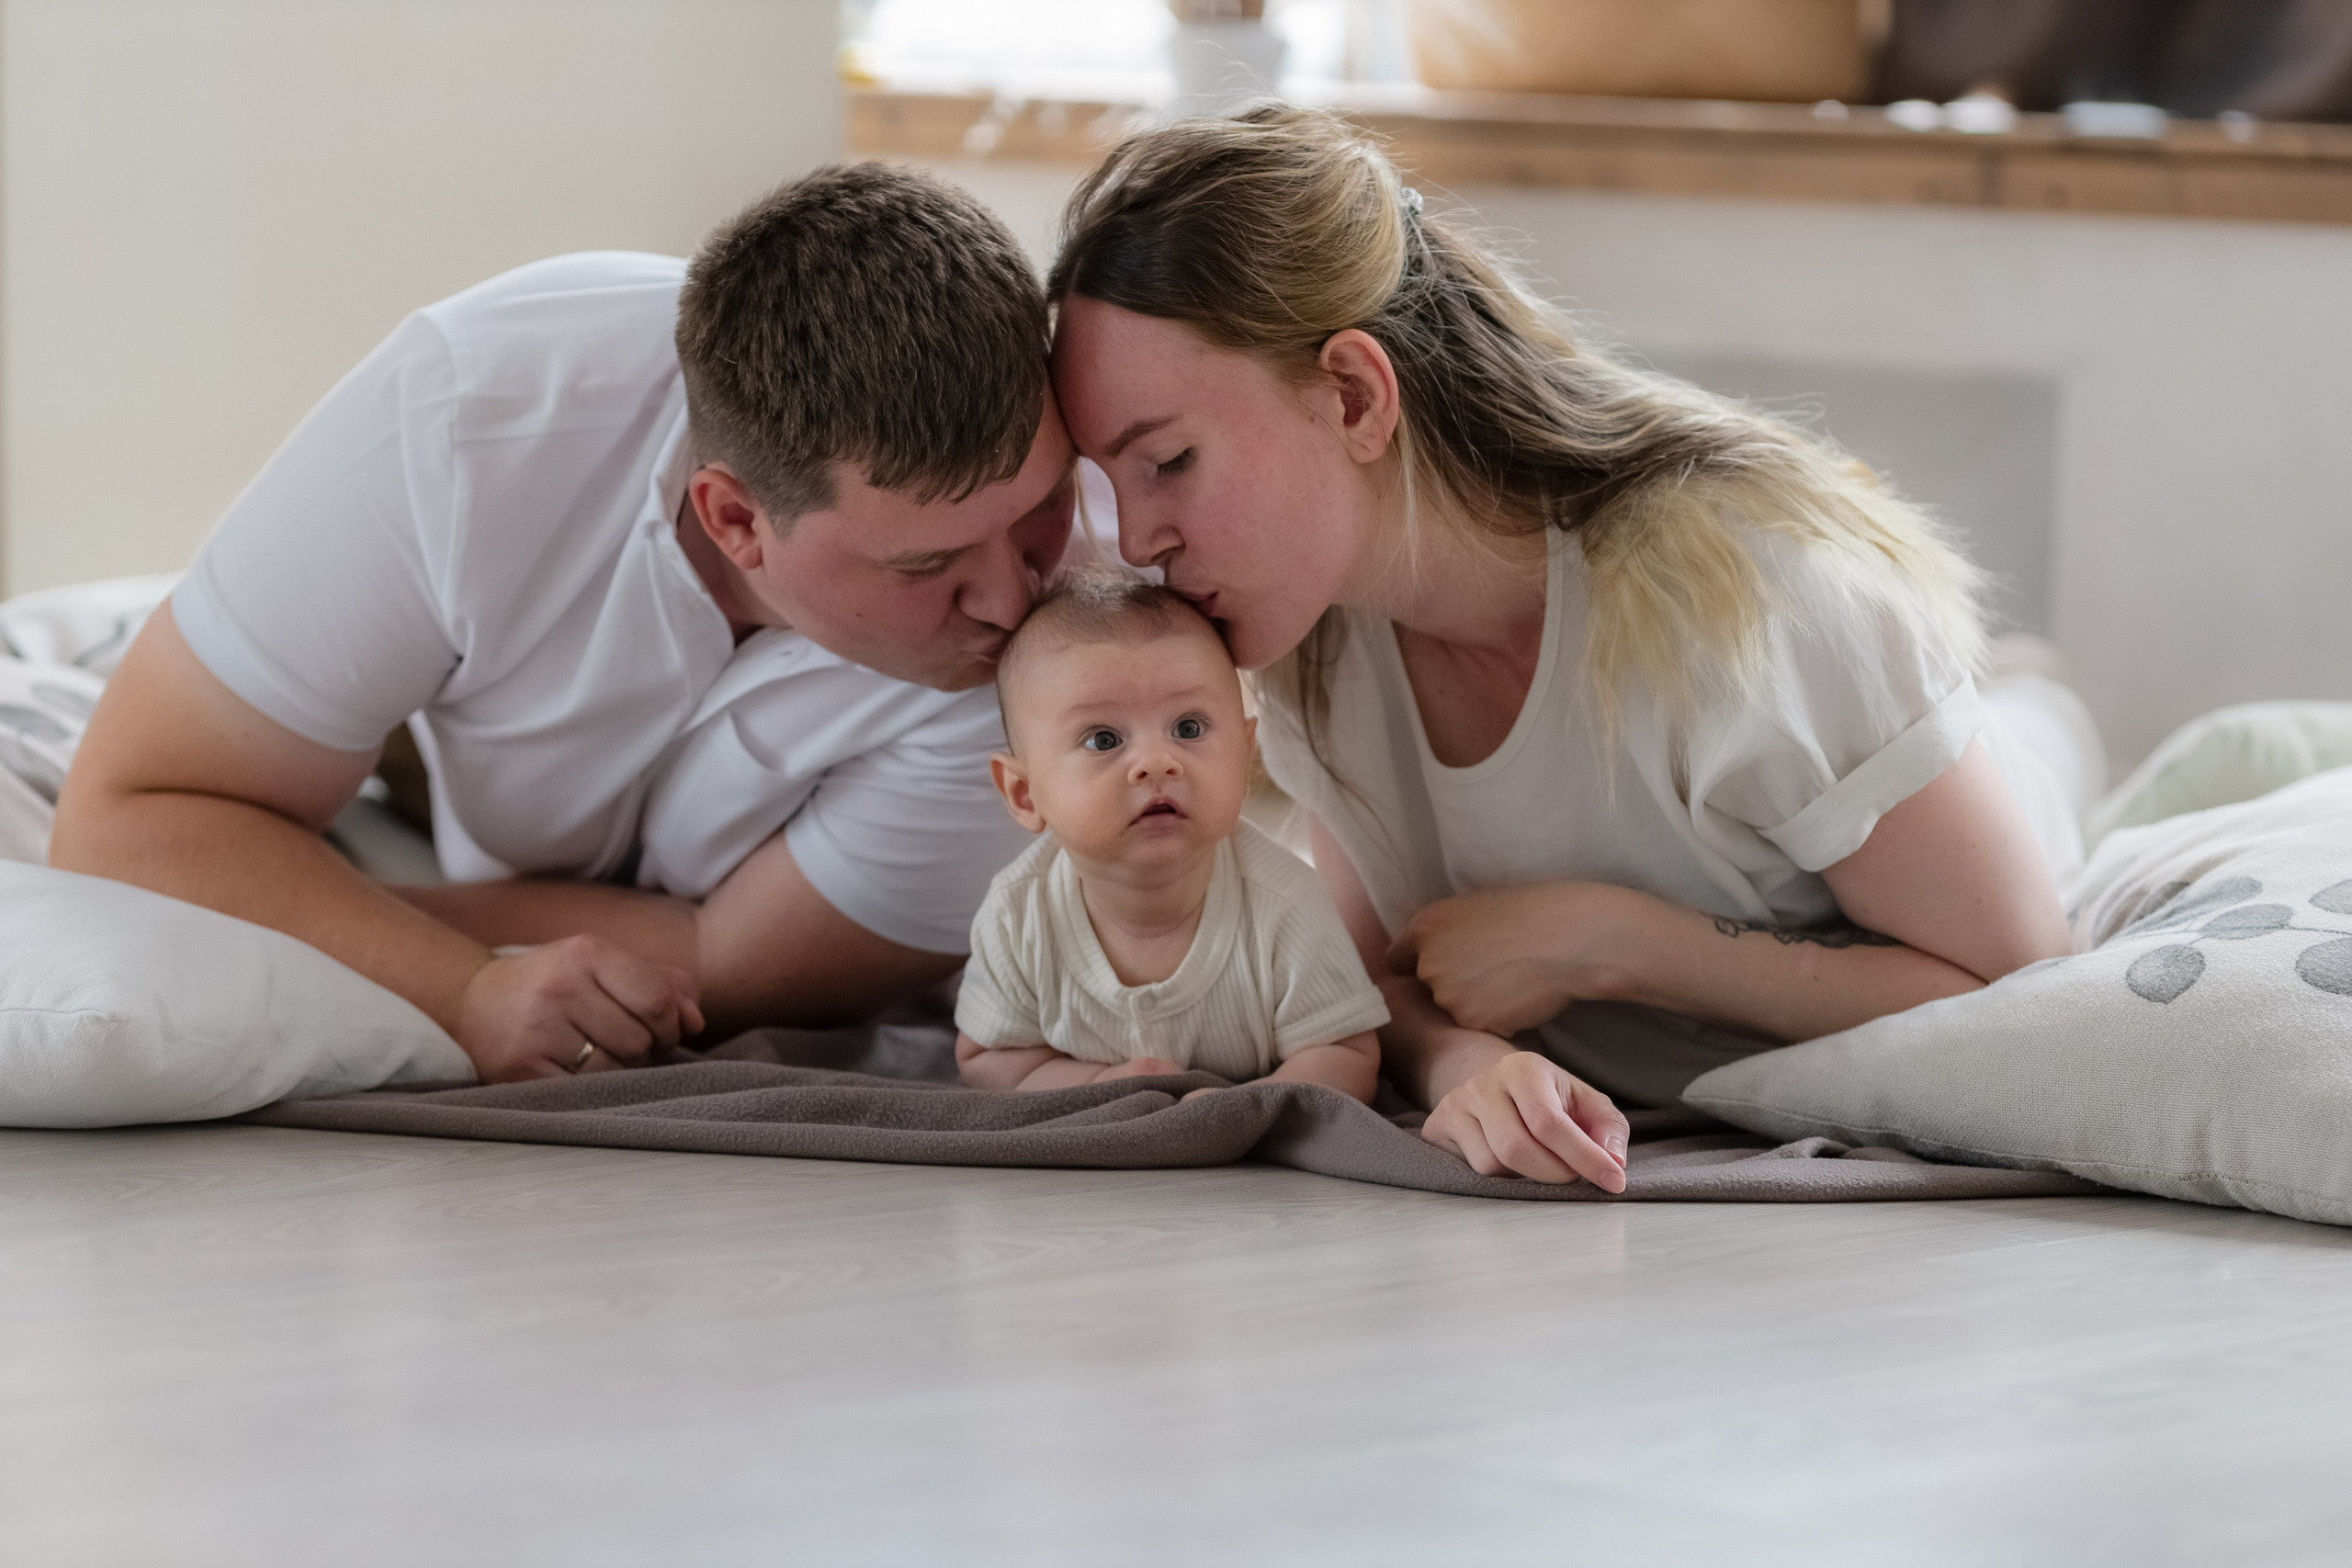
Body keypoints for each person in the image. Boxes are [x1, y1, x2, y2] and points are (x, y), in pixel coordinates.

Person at [1046, 107, 2085, 1187]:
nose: (1138, 542)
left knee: (2035, 731)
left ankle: (2034, 694)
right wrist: (1462, 1063)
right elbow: (1364, 982)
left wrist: (1617, 943)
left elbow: (2019, 979)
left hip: (1978, 792)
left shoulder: (1752, 598)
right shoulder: (1305, 636)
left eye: (1165, 461)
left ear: (1353, 396)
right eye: (1107, 487)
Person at [51, 163, 1071, 1084]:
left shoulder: (1067, 637)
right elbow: (124, 818)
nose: (1012, 598)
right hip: (429, 741)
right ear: (733, 519)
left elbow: (734, 966)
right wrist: (457, 985)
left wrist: (307, 898)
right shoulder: (469, 420)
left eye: (1035, 511)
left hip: (508, 829)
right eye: (926, 564)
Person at [953, 571, 1392, 1111]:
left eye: (1188, 728)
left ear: (1244, 752)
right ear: (1024, 794)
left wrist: (1242, 1110)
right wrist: (1098, 1086)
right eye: (1104, 739)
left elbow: (1345, 1052)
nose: (1157, 762)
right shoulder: (1016, 915)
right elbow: (988, 1059)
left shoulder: (1286, 905)